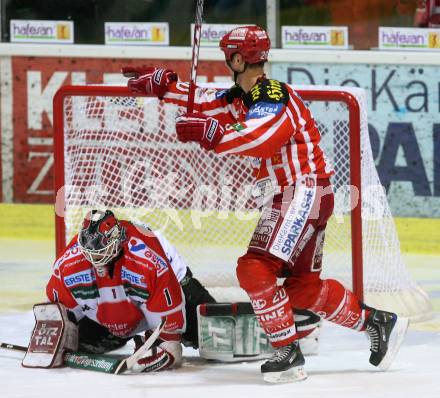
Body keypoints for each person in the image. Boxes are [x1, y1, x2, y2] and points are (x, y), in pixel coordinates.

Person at [123, 25, 409, 383]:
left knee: (254, 269)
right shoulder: (243, 96)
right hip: (307, 195)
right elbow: (206, 102)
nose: (228, 61)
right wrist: (165, 87)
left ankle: (287, 354)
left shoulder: (272, 94)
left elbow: (261, 138)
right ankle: (377, 322)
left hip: (300, 191)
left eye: (229, 56)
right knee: (302, 287)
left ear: (238, 58)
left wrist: (210, 134)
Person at [46, 209, 215, 372]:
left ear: (116, 240)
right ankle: (120, 334)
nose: (94, 258)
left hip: (176, 286)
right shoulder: (68, 263)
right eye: (90, 252)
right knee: (76, 341)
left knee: (217, 341)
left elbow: (172, 348)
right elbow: (55, 314)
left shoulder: (148, 262)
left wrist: (167, 347)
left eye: (100, 252)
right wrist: (53, 335)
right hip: (121, 308)